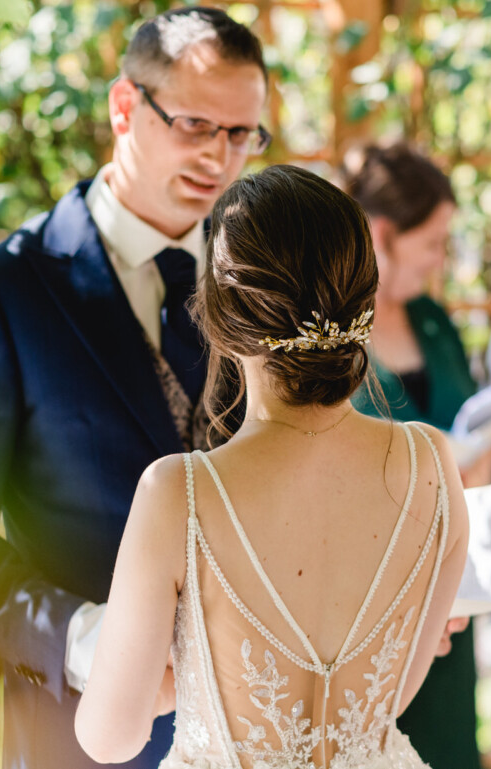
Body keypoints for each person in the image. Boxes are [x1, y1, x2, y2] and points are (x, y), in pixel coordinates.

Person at [0, 7, 269, 769]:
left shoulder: (262, 287)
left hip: (256, 732)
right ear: (125, 107)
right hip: (83, 740)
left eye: (242, 135)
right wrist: (79, 637)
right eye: (198, 124)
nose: (219, 157)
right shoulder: (0, 292)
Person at [75, 164, 470, 767]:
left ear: (221, 317)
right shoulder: (433, 464)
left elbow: (109, 737)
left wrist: (194, 670)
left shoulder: (176, 493)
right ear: (363, 299)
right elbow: (388, 698)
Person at [342, 142, 482, 769]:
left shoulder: (432, 318)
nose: (440, 259)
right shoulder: (328, 341)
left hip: (456, 599)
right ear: (381, 234)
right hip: (372, 612)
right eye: (433, 241)